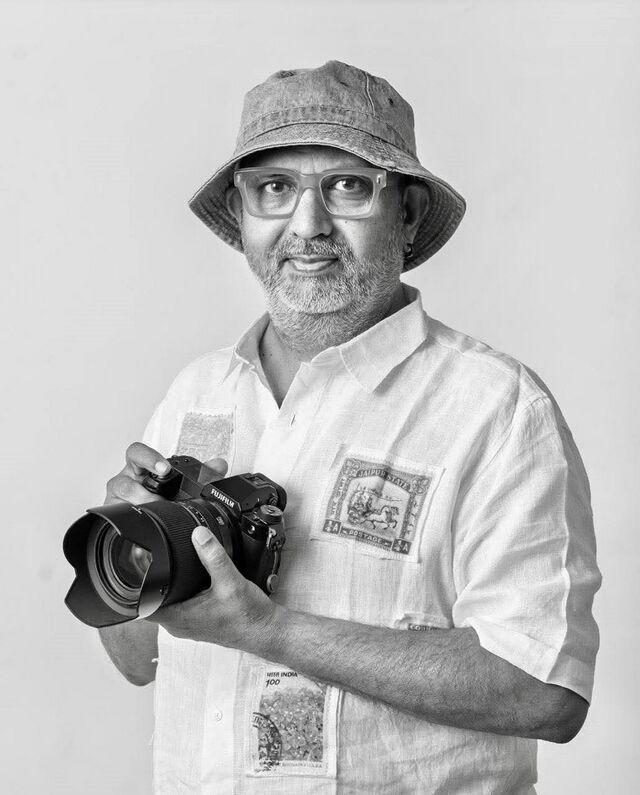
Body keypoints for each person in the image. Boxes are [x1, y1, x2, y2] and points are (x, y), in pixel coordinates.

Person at [99, 61, 601, 794]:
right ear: (241, 212)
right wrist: (130, 547)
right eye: (274, 189)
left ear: (407, 211)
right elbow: (136, 660)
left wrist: (269, 631)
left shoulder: (495, 408)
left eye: (347, 187)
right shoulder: (198, 392)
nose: (307, 227)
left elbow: (544, 689)